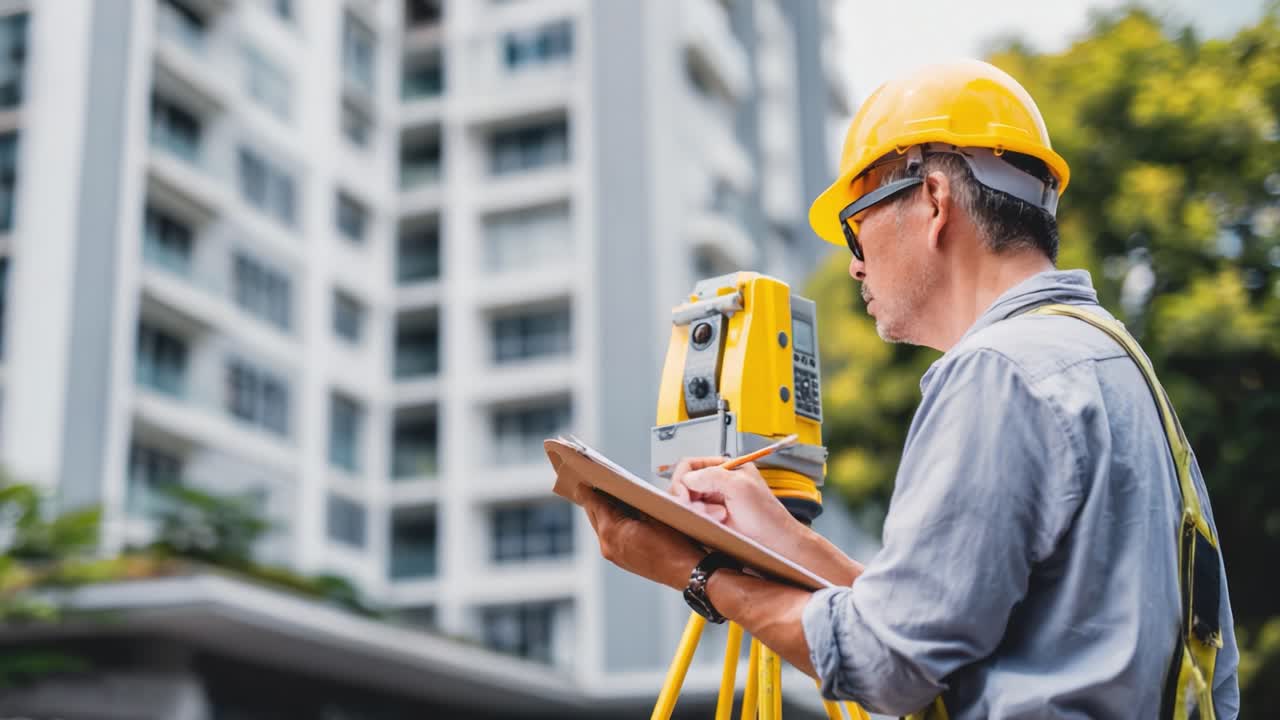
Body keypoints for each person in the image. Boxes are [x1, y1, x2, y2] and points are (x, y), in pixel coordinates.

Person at [573, 59, 1240, 718]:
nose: (855, 262)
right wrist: (780, 538)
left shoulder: (999, 373)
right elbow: (933, 628)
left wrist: (696, 573)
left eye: (852, 222)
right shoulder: (1111, 364)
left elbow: (887, 665)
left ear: (933, 200)